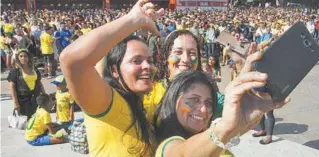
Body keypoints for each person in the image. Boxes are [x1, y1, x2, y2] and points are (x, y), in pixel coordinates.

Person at [60, 0, 164, 156]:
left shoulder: (137, 103)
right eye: (136, 61)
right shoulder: (108, 103)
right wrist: (132, 20)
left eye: (149, 60)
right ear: (114, 70)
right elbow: (72, 60)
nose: (147, 66)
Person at [153, 53, 290, 157]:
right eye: (194, 99)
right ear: (173, 100)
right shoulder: (169, 145)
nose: (204, 109)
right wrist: (225, 127)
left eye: (208, 102)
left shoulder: (210, 138)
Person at [7, 49, 46, 119]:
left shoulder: (34, 69)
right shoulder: (15, 72)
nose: (23, 58)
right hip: (23, 100)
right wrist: (15, 102)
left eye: (25, 56)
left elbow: (39, 83)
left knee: (38, 119)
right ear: (18, 58)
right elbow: (11, 87)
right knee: (28, 121)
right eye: (21, 56)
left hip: (36, 98)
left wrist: (44, 94)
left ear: (29, 57)